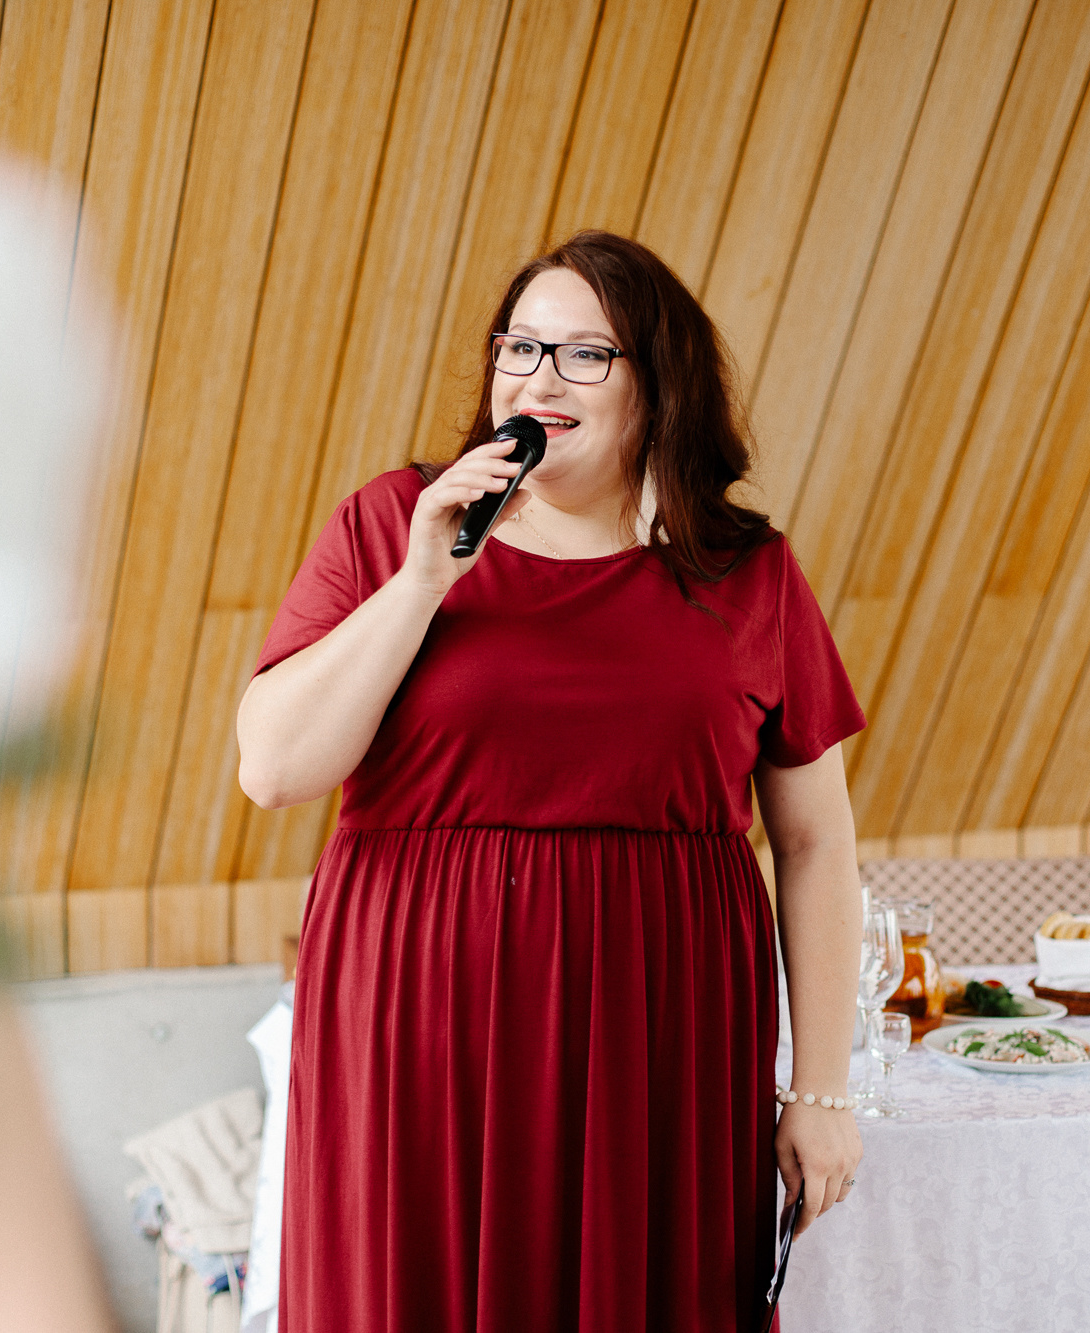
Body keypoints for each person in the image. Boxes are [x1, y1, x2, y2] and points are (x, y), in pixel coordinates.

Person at [236, 230, 864, 1332]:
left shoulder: (746, 570)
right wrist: (421, 581)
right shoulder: (391, 523)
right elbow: (274, 768)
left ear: (657, 385)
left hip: (661, 1033)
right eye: (519, 347)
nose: (537, 378)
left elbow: (815, 843)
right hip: (415, 1018)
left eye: (584, 355)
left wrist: (819, 1091)